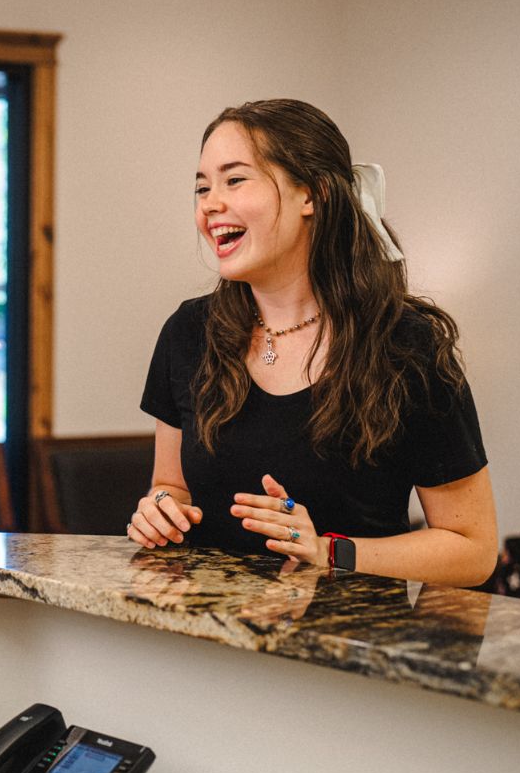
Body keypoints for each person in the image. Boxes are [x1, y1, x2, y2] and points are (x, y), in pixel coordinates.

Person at [129, 99, 497, 587]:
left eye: (234, 180)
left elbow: (472, 550)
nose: (210, 204)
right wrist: (160, 509)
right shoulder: (188, 333)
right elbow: (170, 485)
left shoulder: (406, 345)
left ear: (313, 194)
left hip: (348, 632)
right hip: (206, 628)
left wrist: (328, 551)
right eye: (202, 187)